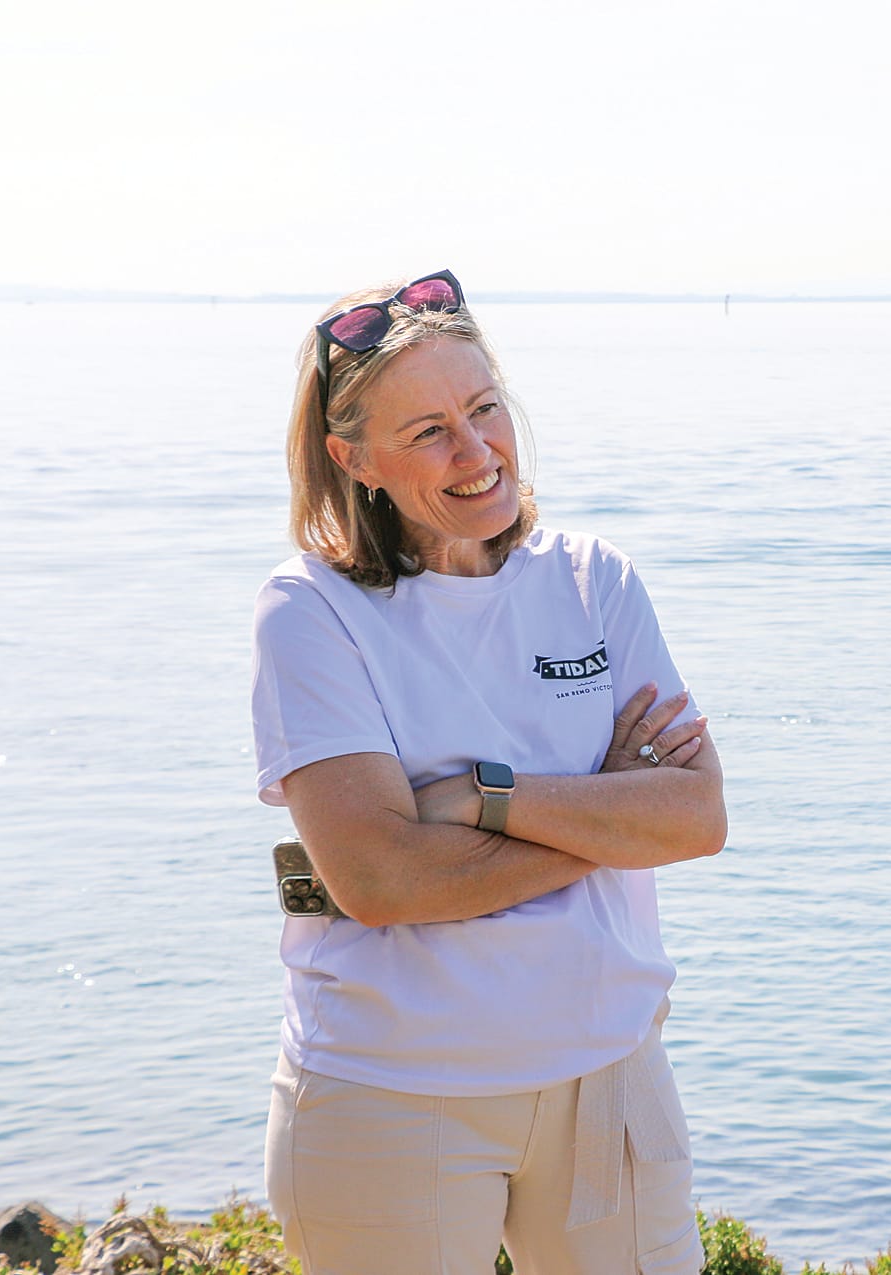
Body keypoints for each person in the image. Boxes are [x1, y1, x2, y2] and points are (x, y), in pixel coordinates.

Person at [251, 269, 723, 1275]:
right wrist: (603, 811)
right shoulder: (311, 612)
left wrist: (481, 800)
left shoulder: (594, 581)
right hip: (390, 1096)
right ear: (353, 458)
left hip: (611, 1078)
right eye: (426, 431)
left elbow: (693, 818)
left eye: (482, 408)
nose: (475, 452)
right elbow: (380, 883)